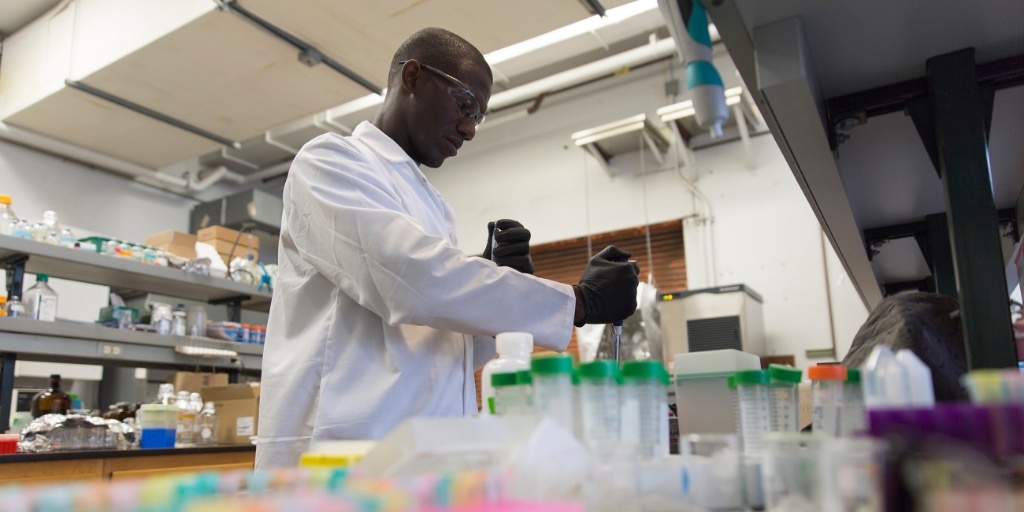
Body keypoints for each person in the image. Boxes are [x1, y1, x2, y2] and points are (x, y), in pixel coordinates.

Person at [256, 27, 640, 469]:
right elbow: (410, 280)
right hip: (342, 458)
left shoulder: (434, 209)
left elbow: (443, 346)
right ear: (414, 77)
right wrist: (578, 302)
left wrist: (493, 292)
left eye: (479, 117)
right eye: (465, 105)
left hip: (429, 457)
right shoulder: (329, 162)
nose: (469, 129)